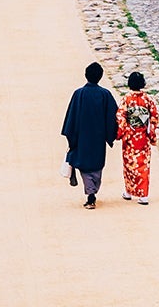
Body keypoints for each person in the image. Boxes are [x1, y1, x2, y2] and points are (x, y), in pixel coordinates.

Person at [61, 62, 118, 209]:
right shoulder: (105, 94)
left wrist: (71, 137)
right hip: (98, 137)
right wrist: (111, 135)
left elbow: (71, 117)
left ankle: (90, 193)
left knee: (85, 166)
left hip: (82, 137)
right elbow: (113, 117)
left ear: (86, 75)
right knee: (97, 165)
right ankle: (92, 191)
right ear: (100, 77)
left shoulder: (79, 94)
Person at [116, 71, 159, 204]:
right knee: (143, 165)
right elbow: (154, 117)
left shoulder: (126, 99)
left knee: (129, 165)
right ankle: (143, 195)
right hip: (143, 136)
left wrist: (120, 133)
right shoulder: (148, 99)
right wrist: (151, 133)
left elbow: (121, 117)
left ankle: (129, 192)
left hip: (130, 136)